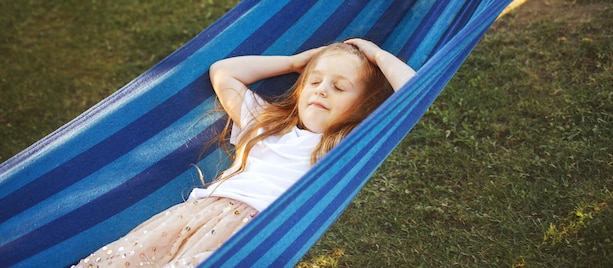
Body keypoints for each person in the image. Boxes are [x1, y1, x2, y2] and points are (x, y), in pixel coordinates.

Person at [72, 38, 415, 267]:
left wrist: (377, 55)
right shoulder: (265, 125)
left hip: (253, 235)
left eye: (339, 87)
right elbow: (224, 72)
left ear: (364, 105)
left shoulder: (345, 145)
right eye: (314, 81)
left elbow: (414, 94)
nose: (322, 90)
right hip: (195, 216)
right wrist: (295, 62)